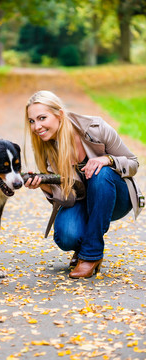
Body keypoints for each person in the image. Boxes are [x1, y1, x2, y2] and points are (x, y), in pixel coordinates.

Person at [24, 90, 144, 279]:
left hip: (116, 197)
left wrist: (107, 160)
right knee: (66, 236)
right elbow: (67, 198)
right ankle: (85, 245)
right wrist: (41, 184)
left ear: (59, 115)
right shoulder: (47, 147)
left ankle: (90, 254)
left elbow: (133, 163)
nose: (36, 126)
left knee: (101, 172)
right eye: (32, 121)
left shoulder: (95, 128)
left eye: (42, 118)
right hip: (82, 201)